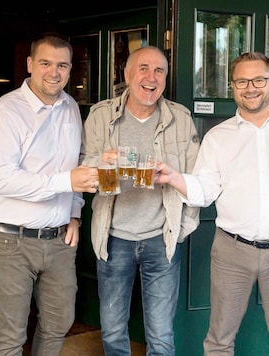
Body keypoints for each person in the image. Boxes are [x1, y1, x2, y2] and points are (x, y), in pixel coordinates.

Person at [154, 52, 269, 355]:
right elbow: (205, 191)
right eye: (241, 81)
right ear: (232, 86)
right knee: (219, 341)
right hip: (231, 252)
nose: (250, 87)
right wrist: (174, 177)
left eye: (258, 80)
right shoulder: (217, 137)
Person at [0, 32, 99, 356]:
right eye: (45, 63)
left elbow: (78, 165)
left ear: (71, 69)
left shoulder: (71, 107)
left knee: (59, 322)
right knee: (10, 337)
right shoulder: (7, 111)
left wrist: (74, 214)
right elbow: (2, 179)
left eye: (62, 65)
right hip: (8, 241)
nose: (53, 72)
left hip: (59, 241)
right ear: (30, 64)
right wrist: (66, 182)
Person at [80, 46, 200, 355]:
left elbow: (196, 178)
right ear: (127, 75)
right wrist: (99, 162)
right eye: (143, 68)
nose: (151, 77)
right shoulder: (101, 114)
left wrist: (183, 227)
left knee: (160, 335)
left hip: (161, 239)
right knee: (113, 330)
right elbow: (82, 166)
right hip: (113, 236)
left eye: (159, 70)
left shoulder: (181, 118)